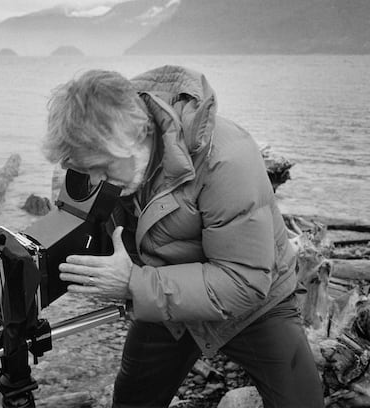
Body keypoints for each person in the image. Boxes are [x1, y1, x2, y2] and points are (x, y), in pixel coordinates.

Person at [41, 66, 324, 408]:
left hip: (256, 304)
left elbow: (245, 280)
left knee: (303, 402)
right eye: (89, 170)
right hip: (168, 297)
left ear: (137, 134)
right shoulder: (115, 154)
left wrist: (132, 283)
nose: (98, 180)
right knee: (132, 401)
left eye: (103, 166)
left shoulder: (226, 160)